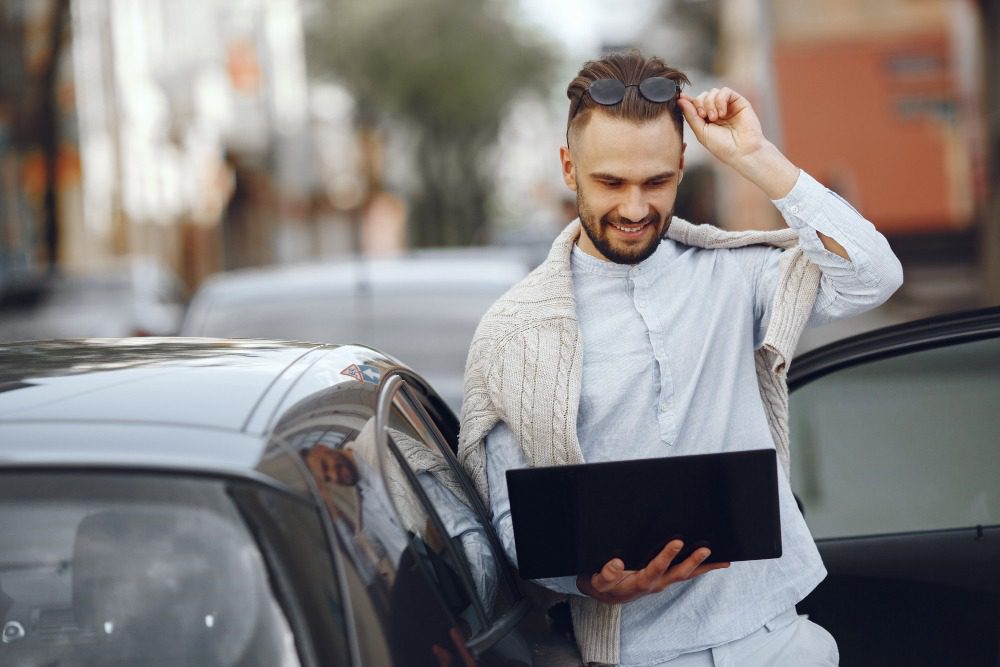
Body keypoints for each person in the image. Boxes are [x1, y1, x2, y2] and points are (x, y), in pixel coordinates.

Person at [458, 50, 903, 666]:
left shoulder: (733, 274)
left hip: (776, 638)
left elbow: (872, 277)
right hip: (638, 653)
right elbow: (509, 515)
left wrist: (756, 159)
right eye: (610, 182)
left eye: (656, 182)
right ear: (569, 168)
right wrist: (584, 581)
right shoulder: (515, 331)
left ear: (682, 166)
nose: (636, 209)